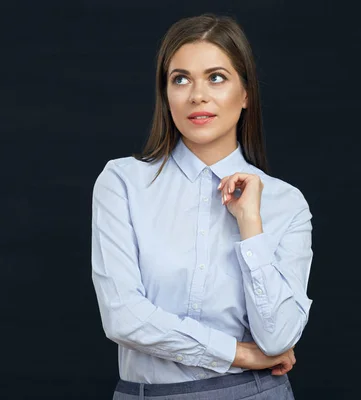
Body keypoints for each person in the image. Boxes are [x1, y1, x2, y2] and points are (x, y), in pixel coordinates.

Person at [91, 13, 313, 400]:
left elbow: (278, 337)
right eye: (181, 79)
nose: (198, 95)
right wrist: (238, 353)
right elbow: (122, 316)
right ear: (166, 94)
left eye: (216, 77)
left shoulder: (285, 202)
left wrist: (251, 225)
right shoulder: (122, 182)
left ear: (245, 94)